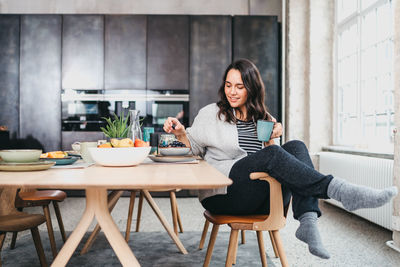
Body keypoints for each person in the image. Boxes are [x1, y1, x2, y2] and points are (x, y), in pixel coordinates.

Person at [163, 58, 397, 259]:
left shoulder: (264, 117)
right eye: (228, 85)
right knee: (275, 153)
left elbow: (275, 160)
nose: (232, 91)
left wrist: (274, 136)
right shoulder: (212, 114)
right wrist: (181, 132)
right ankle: (342, 191)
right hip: (226, 194)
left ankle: (307, 220)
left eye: (240, 86)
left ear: (251, 89)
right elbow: (193, 148)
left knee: (295, 146)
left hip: (263, 196)